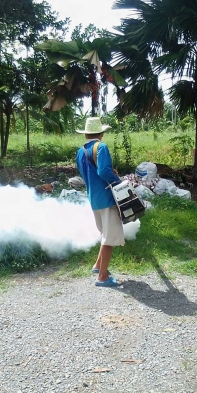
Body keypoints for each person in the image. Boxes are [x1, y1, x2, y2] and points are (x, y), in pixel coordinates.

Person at [75, 117, 123, 288]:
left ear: (86, 134)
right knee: (109, 238)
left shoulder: (80, 151)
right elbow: (103, 171)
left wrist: (108, 171)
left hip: (93, 198)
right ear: (101, 133)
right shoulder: (101, 147)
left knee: (104, 234)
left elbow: (89, 173)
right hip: (106, 197)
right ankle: (102, 277)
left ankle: (97, 266)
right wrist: (118, 182)